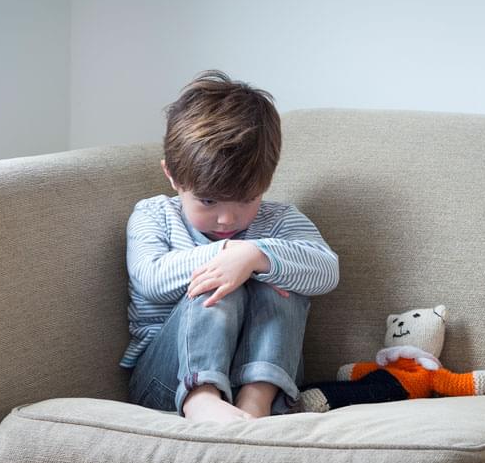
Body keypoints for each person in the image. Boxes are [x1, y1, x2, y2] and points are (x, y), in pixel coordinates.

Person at [121, 70, 339, 424]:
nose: (226, 220)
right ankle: (200, 395)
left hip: (270, 381)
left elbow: (327, 270)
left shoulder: (280, 221)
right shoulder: (154, 215)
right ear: (172, 177)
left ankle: (256, 401)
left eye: (245, 200)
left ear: (266, 183)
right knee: (220, 279)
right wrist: (228, 257)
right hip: (166, 380)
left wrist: (256, 256)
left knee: (278, 273)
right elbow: (150, 279)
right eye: (208, 201)